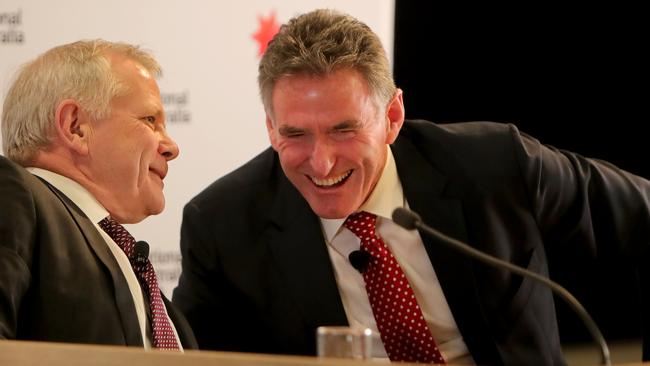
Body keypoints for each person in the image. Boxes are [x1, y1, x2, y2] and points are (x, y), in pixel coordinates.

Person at [172, 9, 650, 365]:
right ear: (271, 128)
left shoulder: (495, 166)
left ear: (393, 116)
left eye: (343, 129)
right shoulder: (222, 225)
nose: (321, 162)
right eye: (295, 134)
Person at [0, 40, 196, 350]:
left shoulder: (130, 263)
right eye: (150, 120)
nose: (171, 147)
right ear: (75, 126)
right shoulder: (14, 195)